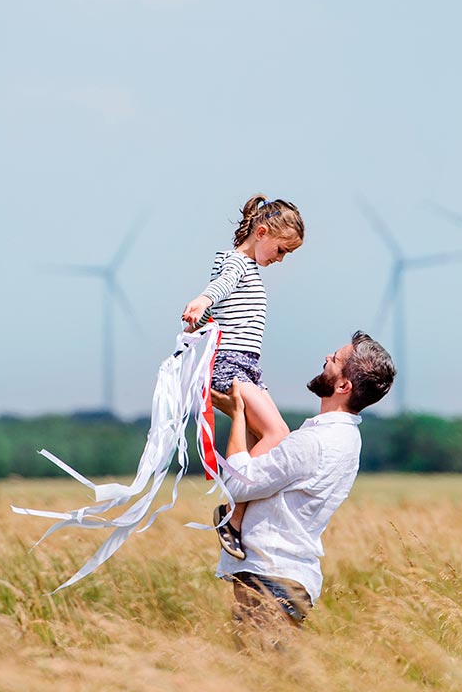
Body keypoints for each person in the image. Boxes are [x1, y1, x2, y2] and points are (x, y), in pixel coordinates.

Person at [210, 331, 396, 636]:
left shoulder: (314, 442)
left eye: (335, 360)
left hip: (271, 578)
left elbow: (238, 484)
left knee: (261, 675)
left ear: (343, 385)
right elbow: (258, 469)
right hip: (283, 576)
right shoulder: (343, 438)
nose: (326, 358)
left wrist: (239, 414)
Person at [181, 194, 305, 559]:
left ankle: (245, 523)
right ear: (262, 232)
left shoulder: (247, 268)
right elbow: (219, 287)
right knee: (278, 433)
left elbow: (220, 309)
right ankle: (231, 515)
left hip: (248, 365)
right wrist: (203, 300)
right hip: (231, 366)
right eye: (281, 250)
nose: (280, 260)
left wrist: (200, 320)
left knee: (262, 448)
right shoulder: (236, 262)